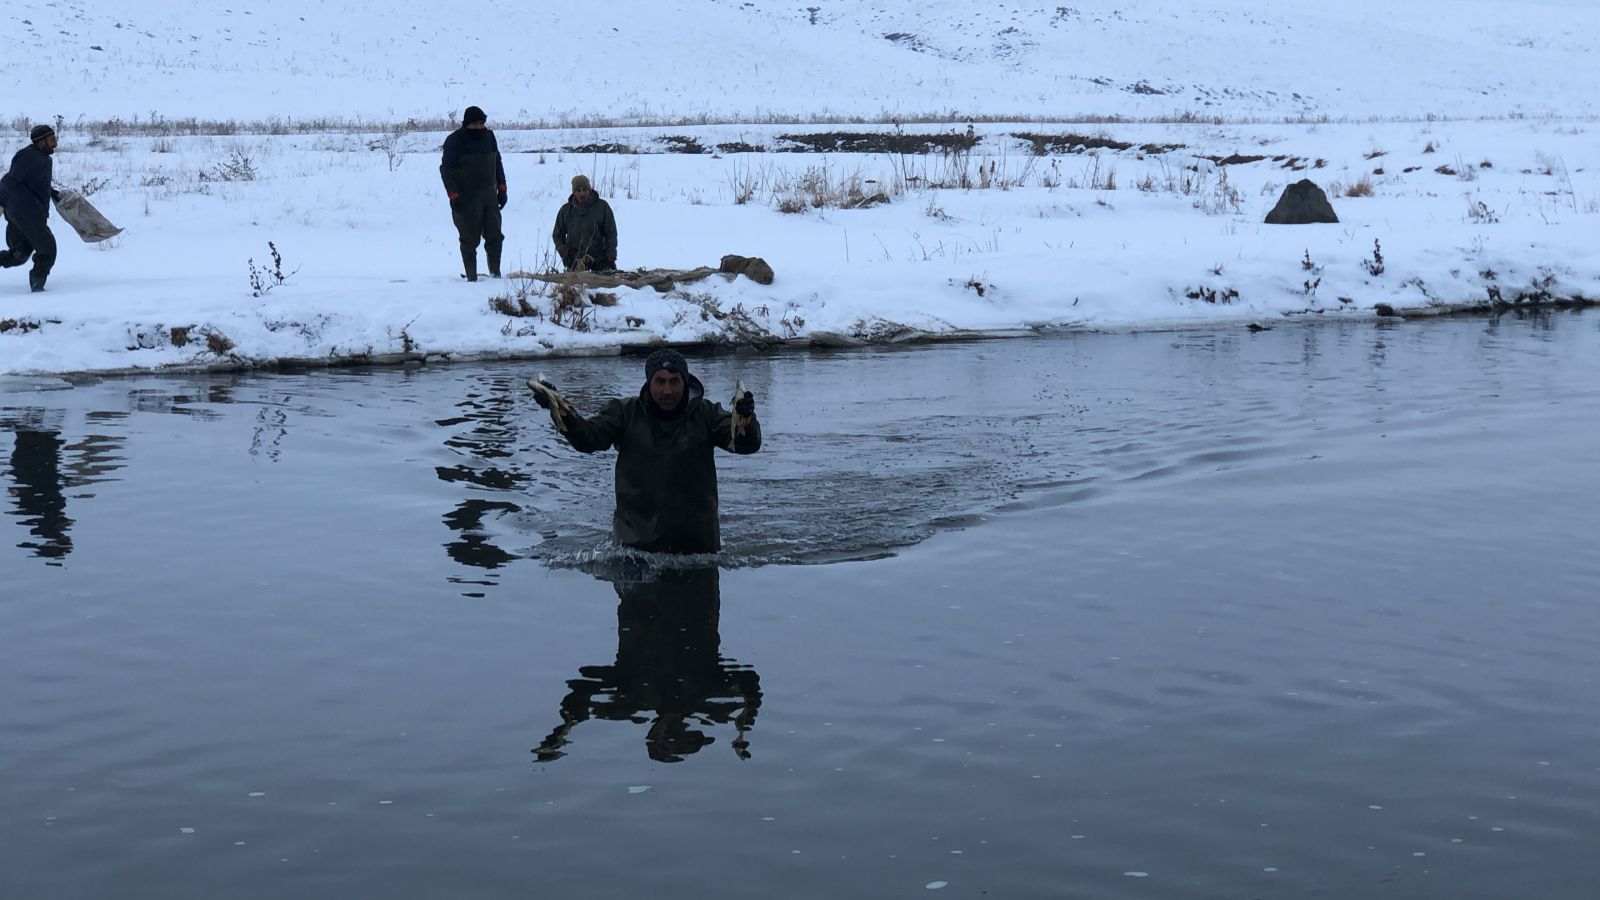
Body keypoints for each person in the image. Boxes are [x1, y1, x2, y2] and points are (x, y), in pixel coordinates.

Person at [534, 349, 759, 555]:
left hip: (697, 547)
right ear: (649, 383)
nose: (667, 390)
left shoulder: (707, 414)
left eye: (674, 382)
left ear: (685, 382)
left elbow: (745, 444)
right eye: (660, 381)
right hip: (635, 547)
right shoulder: (624, 413)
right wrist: (561, 412)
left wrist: (746, 420)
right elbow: (589, 439)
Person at [533, 566, 762, 763]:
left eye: (663, 740)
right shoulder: (707, 698)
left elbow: (582, 686)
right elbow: (750, 681)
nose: (668, 733)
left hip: (659, 585)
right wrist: (745, 720)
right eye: (671, 739)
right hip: (682, 586)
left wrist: (565, 727)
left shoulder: (632, 700)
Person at [438, 105, 506, 282]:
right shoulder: (454, 140)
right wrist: (453, 195)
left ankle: (495, 275)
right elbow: (446, 170)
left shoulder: (489, 136)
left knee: (495, 236)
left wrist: (502, 188)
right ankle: (471, 278)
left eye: (481, 123)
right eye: (475, 123)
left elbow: (497, 162)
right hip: (466, 199)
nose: (479, 127)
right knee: (469, 239)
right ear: (466, 123)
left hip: (489, 197)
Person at [0, 125, 62, 292]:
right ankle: (37, 291)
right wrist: (1, 203)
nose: (55, 143)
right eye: (52, 140)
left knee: (20, 253)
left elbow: (34, 182)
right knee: (47, 249)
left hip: (23, 211)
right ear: (41, 142)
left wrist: (52, 193)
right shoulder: (28, 156)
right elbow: (9, 180)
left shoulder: (43, 158)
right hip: (26, 212)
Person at [551, 174, 617, 272]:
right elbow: (557, 234)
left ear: (589, 190)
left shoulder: (602, 207)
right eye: (578, 190)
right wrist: (562, 250)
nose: (582, 193)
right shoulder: (566, 211)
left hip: (600, 262)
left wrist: (611, 255)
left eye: (584, 189)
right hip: (575, 263)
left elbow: (611, 233)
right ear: (574, 192)